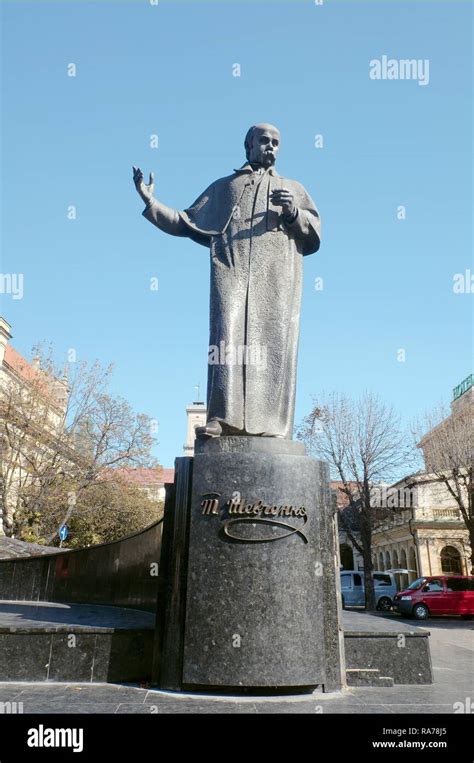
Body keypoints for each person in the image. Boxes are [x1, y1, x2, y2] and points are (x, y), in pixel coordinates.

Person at [133, 123, 321, 439]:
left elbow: (314, 232)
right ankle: (221, 418)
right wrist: (150, 202)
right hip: (231, 274)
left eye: (276, 142)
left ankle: (273, 427)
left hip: (275, 283)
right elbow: (185, 222)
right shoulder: (225, 187)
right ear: (248, 146)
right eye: (264, 140)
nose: (271, 146)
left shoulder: (294, 188)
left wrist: (292, 212)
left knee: (273, 346)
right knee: (226, 338)